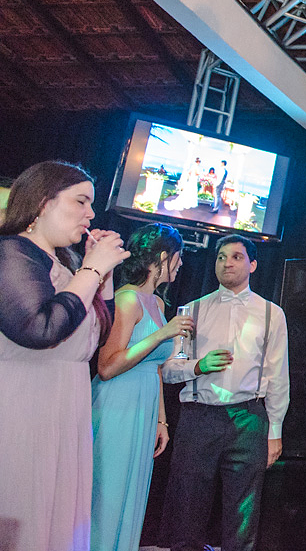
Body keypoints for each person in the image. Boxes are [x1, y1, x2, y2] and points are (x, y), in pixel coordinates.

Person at [0, 161, 128, 551]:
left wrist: (102, 277)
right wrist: (92, 269)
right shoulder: (12, 252)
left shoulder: (64, 264)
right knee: (26, 513)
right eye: (81, 201)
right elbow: (40, 329)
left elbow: (94, 337)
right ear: (43, 202)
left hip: (66, 404)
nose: (91, 213)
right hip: (26, 404)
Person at [160, 233, 290, 551]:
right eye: (221, 257)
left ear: (253, 265)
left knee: (243, 513)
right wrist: (199, 366)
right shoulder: (192, 310)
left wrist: (275, 431)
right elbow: (169, 370)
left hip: (249, 418)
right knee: (187, 506)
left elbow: (278, 376)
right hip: (198, 416)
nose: (227, 263)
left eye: (236, 257)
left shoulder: (271, 313)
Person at [92, 223, 192, 551]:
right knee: (108, 493)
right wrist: (162, 334)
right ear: (162, 257)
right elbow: (107, 366)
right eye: (178, 256)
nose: (181, 263)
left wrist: (162, 420)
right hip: (118, 403)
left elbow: (156, 368)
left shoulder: (157, 304)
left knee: (131, 490)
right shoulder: (127, 299)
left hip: (145, 405)